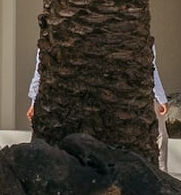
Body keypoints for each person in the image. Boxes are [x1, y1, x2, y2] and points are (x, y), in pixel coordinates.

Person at [27, 47, 170, 162]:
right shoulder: (54, 41)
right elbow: (41, 71)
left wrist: (160, 97)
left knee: (160, 136)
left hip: (132, 95)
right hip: (82, 101)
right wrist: (35, 101)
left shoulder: (137, 40)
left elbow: (150, 67)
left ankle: (162, 176)